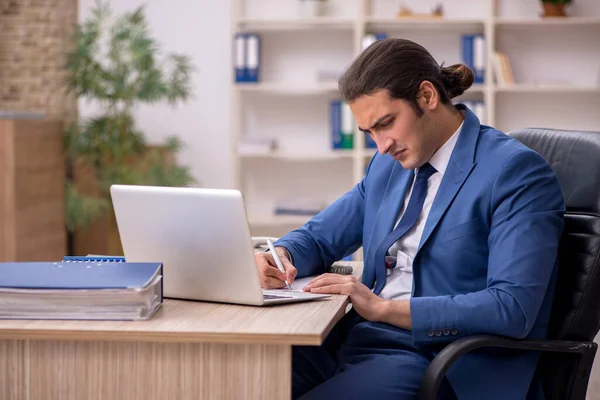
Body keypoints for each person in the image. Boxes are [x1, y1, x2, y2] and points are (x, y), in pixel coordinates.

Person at [254, 38, 565, 400]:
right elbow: (320, 237)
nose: (381, 145)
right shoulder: (388, 167)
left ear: (427, 97)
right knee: (241, 379)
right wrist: (281, 257)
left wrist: (384, 308)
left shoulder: (514, 172)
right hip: (351, 337)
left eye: (386, 123)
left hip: (433, 356)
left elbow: (510, 307)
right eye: (370, 132)